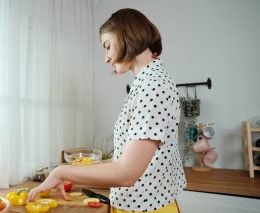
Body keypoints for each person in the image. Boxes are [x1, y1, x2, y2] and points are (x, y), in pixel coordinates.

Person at [27, 8, 186, 213]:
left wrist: (61, 171)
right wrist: (76, 171)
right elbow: (126, 160)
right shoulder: (148, 81)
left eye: (107, 46)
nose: (106, 58)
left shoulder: (153, 86)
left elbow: (127, 173)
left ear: (126, 35)